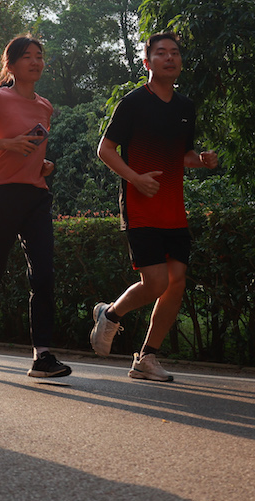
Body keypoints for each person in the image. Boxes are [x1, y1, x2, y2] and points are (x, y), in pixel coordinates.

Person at [89, 33, 219, 381]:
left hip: (174, 208)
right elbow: (105, 149)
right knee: (157, 282)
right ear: (147, 62)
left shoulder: (185, 108)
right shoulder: (133, 103)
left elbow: (182, 154)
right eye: (161, 53)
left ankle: (146, 357)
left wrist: (201, 160)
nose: (170, 58)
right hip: (141, 203)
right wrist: (135, 178)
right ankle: (112, 314)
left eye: (175, 53)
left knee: (177, 282)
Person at [0, 35, 69, 379]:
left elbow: (32, 151)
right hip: (1, 193)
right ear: (11, 65)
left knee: (44, 275)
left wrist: (43, 164)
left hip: (35, 195)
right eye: (27, 57)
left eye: (39, 56)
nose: (35, 62)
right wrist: (7, 143)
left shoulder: (45, 106)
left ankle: (42, 356)